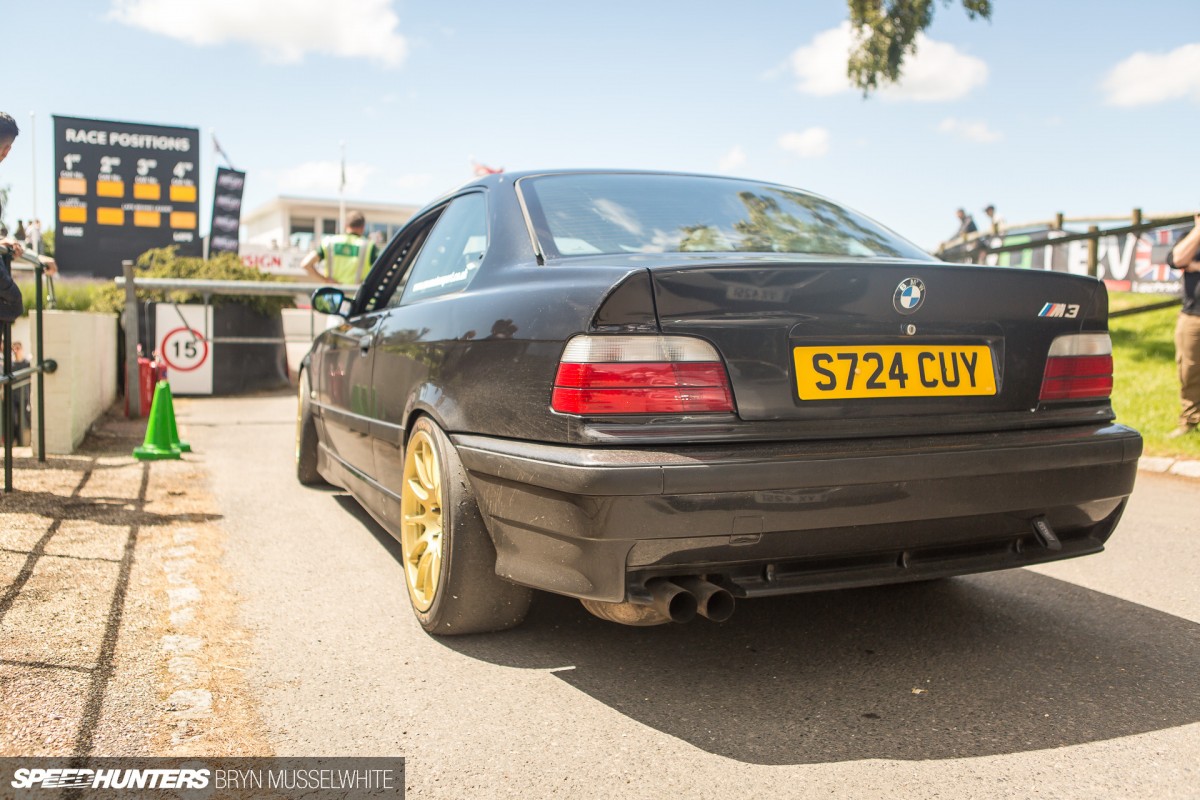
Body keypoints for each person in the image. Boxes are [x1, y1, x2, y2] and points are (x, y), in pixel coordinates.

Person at [1167, 214, 1200, 438]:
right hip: (1192, 317)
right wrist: (1198, 231)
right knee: (1188, 371)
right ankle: (1190, 422)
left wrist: (1195, 265)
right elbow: (1178, 259)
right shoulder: (1189, 236)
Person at [300, 209, 379, 285]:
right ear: (363, 227)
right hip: (356, 293)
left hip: (333, 293)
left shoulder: (329, 243)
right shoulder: (369, 246)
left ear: (345, 225)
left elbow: (306, 264)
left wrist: (326, 280)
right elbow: (382, 269)